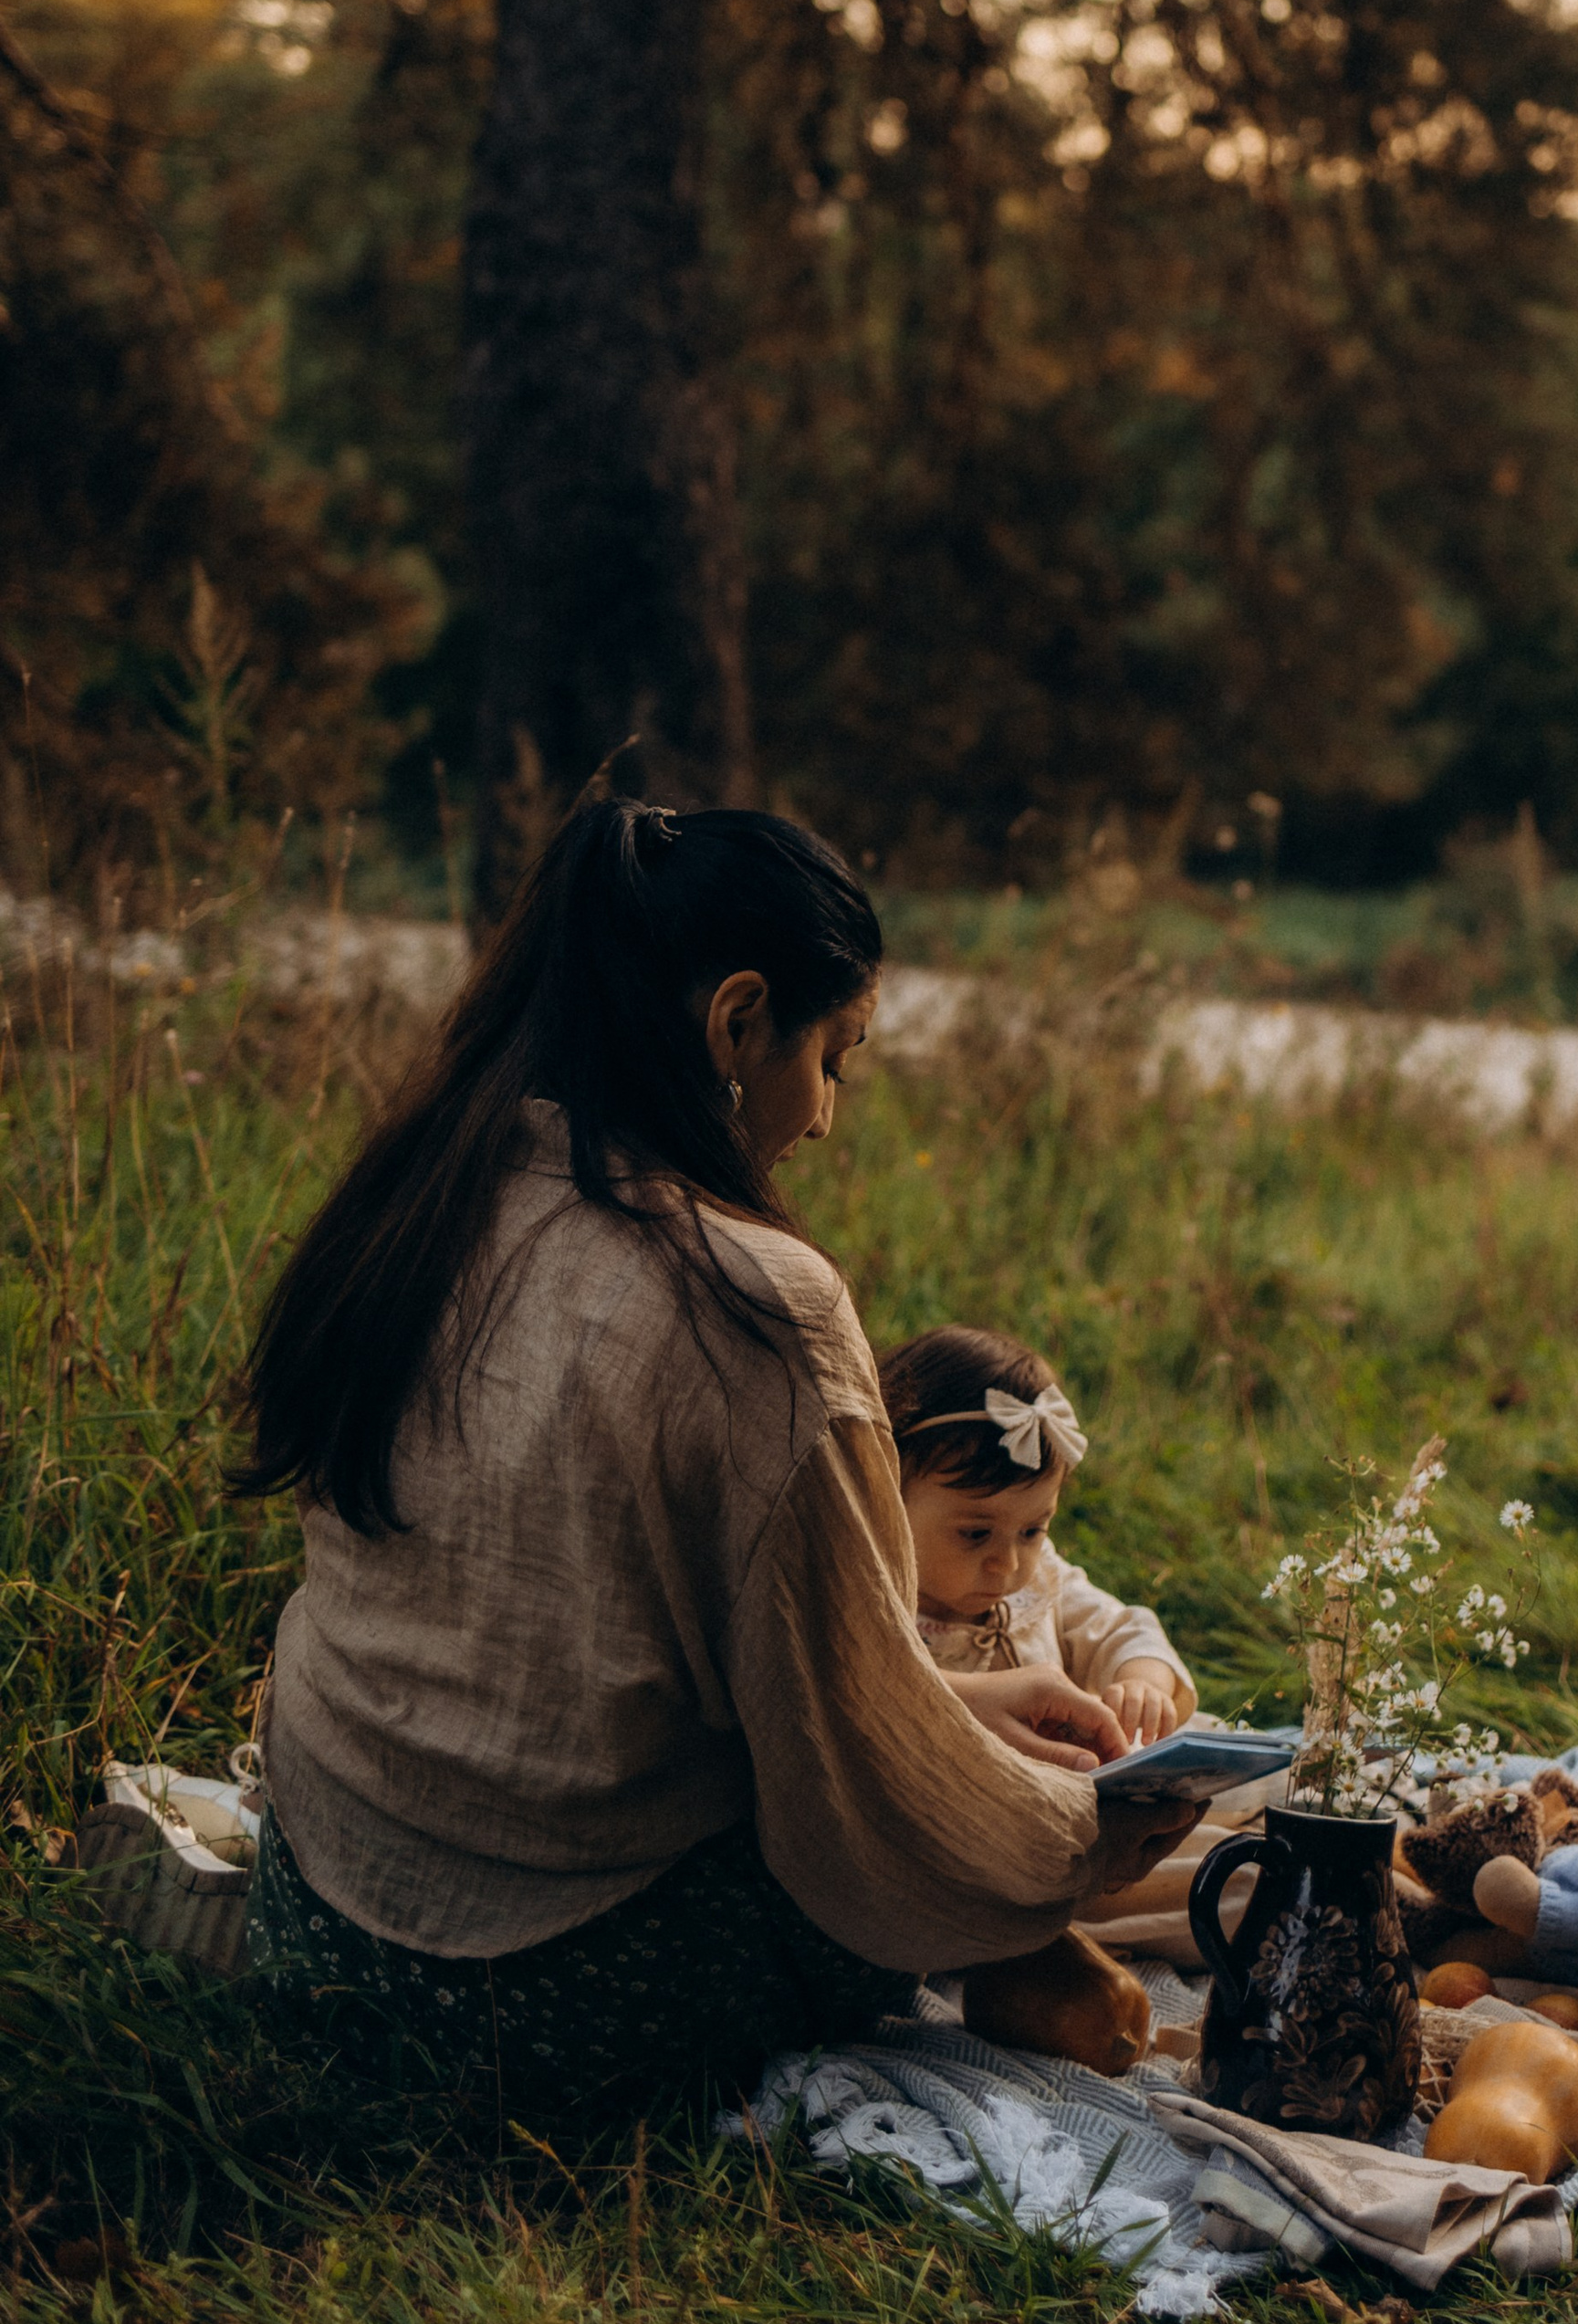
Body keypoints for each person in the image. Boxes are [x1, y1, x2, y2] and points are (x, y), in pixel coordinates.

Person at [235, 801, 1197, 2112]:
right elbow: (857, 1785)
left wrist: (960, 1709)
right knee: (907, 1888)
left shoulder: (421, 1190)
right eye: (836, 1058)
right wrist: (1082, 1842)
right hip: (544, 1991)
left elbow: (614, 1658)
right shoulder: (750, 1303)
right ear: (739, 1022)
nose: (826, 1117)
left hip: (318, 1903)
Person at [880, 1327, 1197, 1750]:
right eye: (976, 1533)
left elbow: (1121, 1628)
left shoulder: (1041, 1584)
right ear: (888, 1494)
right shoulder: (882, 1605)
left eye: (1032, 1530)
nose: (1008, 1563)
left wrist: (1142, 1683)